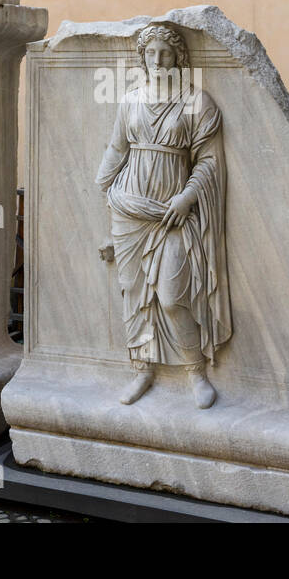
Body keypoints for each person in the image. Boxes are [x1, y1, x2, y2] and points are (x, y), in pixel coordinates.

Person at [96, 25, 231, 408]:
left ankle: (195, 372)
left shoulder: (196, 102)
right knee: (134, 295)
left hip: (173, 213)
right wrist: (106, 196)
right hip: (130, 210)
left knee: (173, 297)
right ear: (143, 57)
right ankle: (142, 370)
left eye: (165, 54)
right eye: (151, 53)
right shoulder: (130, 101)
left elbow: (208, 161)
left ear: (178, 58)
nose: (157, 61)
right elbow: (116, 150)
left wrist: (187, 199)